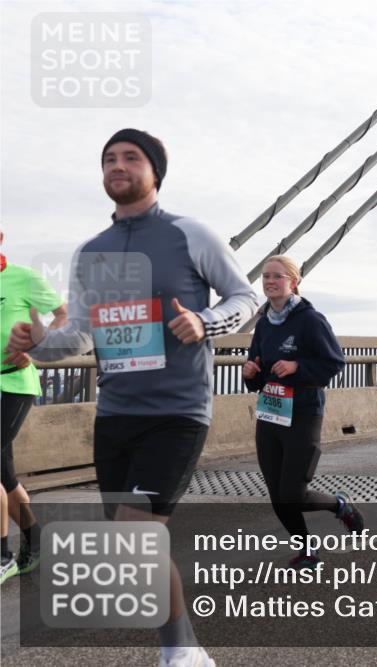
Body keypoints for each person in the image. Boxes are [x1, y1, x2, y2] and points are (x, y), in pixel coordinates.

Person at [6, 128, 258, 667]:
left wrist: (205, 320)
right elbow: (78, 335)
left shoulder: (192, 234)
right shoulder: (90, 251)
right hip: (115, 414)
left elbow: (246, 297)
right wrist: (38, 344)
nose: (117, 166)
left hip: (177, 412)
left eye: (130, 157)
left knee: (136, 535)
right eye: (108, 159)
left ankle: (183, 655)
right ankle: (180, 645)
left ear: (155, 172)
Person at [242, 255, 363, 570]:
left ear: (292, 282)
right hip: (270, 413)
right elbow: (257, 373)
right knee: (277, 495)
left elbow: (334, 362)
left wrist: (298, 366)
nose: (270, 282)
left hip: (304, 412)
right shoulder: (264, 323)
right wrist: (250, 371)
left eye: (277, 277)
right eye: (265, 276)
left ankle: (339, 506)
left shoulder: (311, 320)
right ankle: (308, 552)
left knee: (292, 493)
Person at [0, 228, 68, 583]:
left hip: (13, 382)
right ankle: (35, 541)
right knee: (5, 474)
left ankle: (3, 556)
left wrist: (36, 348)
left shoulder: (24, 278)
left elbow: (62, 313)